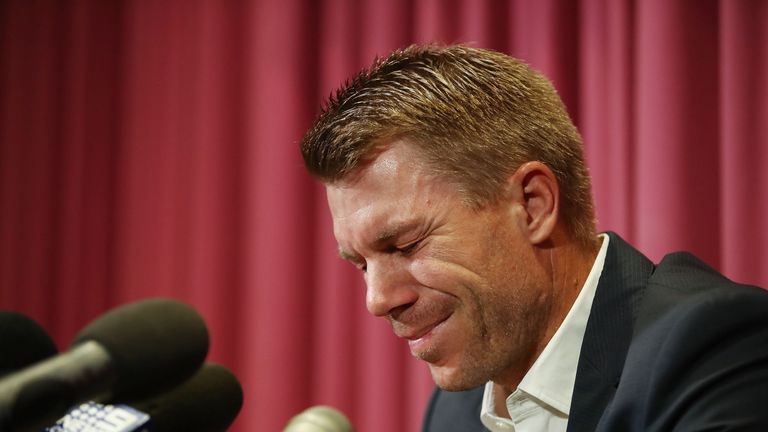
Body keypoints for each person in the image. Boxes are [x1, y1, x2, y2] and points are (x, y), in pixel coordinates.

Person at [300, 44, 768, 432]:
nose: (378, 300)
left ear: (533, 205)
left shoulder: (715, 347)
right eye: (361, 263)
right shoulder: (455, 413)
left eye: (404, 244)